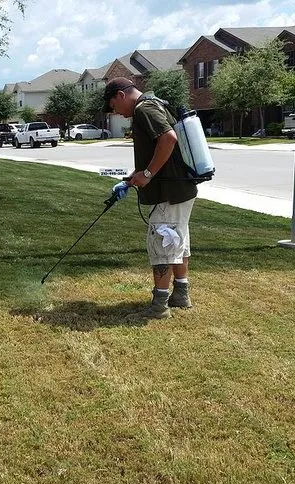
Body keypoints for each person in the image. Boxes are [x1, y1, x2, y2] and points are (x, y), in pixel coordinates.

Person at [103, 77, 198, 320]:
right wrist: (134, 177)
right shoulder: (155, 103)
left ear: (121, 95)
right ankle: (181, 295)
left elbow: (168, 139)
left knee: (162, 243)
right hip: (180, 189)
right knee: (177, 241)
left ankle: (159, 307)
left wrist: (148, 173)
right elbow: (159, 149)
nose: (117, 113)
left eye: (114, 106)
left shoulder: (144, 109)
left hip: (169, 193)